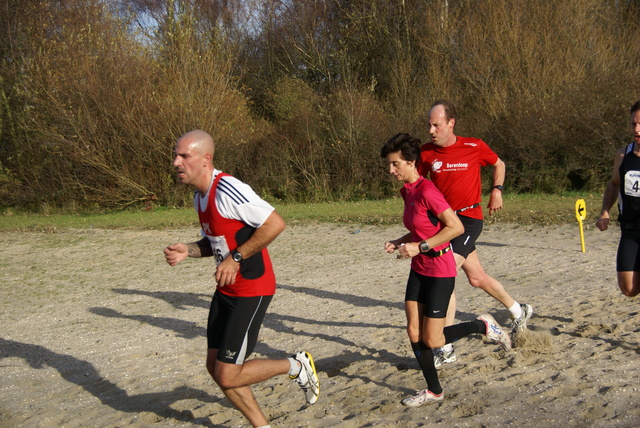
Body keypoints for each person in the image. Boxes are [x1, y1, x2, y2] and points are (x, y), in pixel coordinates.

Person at [164, 130, 319, 428]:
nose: (176, 162)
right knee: (215, 368)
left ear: (206, 159)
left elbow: (275, 223)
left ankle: (296, 365)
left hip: (253, 288)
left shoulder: (228, 189)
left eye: (184, 156)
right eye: (175, 155)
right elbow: (217, 242)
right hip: (226, 290)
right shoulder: (200, 197)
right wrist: (190, 250)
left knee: (228, 373)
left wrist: (236, 259)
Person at [382, 133, 511, 407]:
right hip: (418, 269)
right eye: (389, 165)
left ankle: (482, 325)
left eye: (395, 164)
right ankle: (434, 390)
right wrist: (400, 241)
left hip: (439, 269)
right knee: (413, 331)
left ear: (411, 162)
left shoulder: (428, 190)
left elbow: (456, 227)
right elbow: (419, 229)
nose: (390, 170)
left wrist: (421, 247)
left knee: (433, 338)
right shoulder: (407, 191)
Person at [418, 100, 533, 367]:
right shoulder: (425, 153)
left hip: (469, 219)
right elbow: (420, 186)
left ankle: (444, 347)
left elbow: (499, 164)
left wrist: (497, 190)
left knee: (444, 273)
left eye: (436, 124)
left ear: (450, 123)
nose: (431, 130)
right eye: (429, 125)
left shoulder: (473, 146)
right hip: (443, 224)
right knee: (477, 278)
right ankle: (519, 311)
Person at [596, 100, 640, 297]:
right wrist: (605, 211)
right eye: (633, 124)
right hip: (630, 229)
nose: (636, 129)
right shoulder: (623, 155)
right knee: (628, 288)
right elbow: (614, 184)